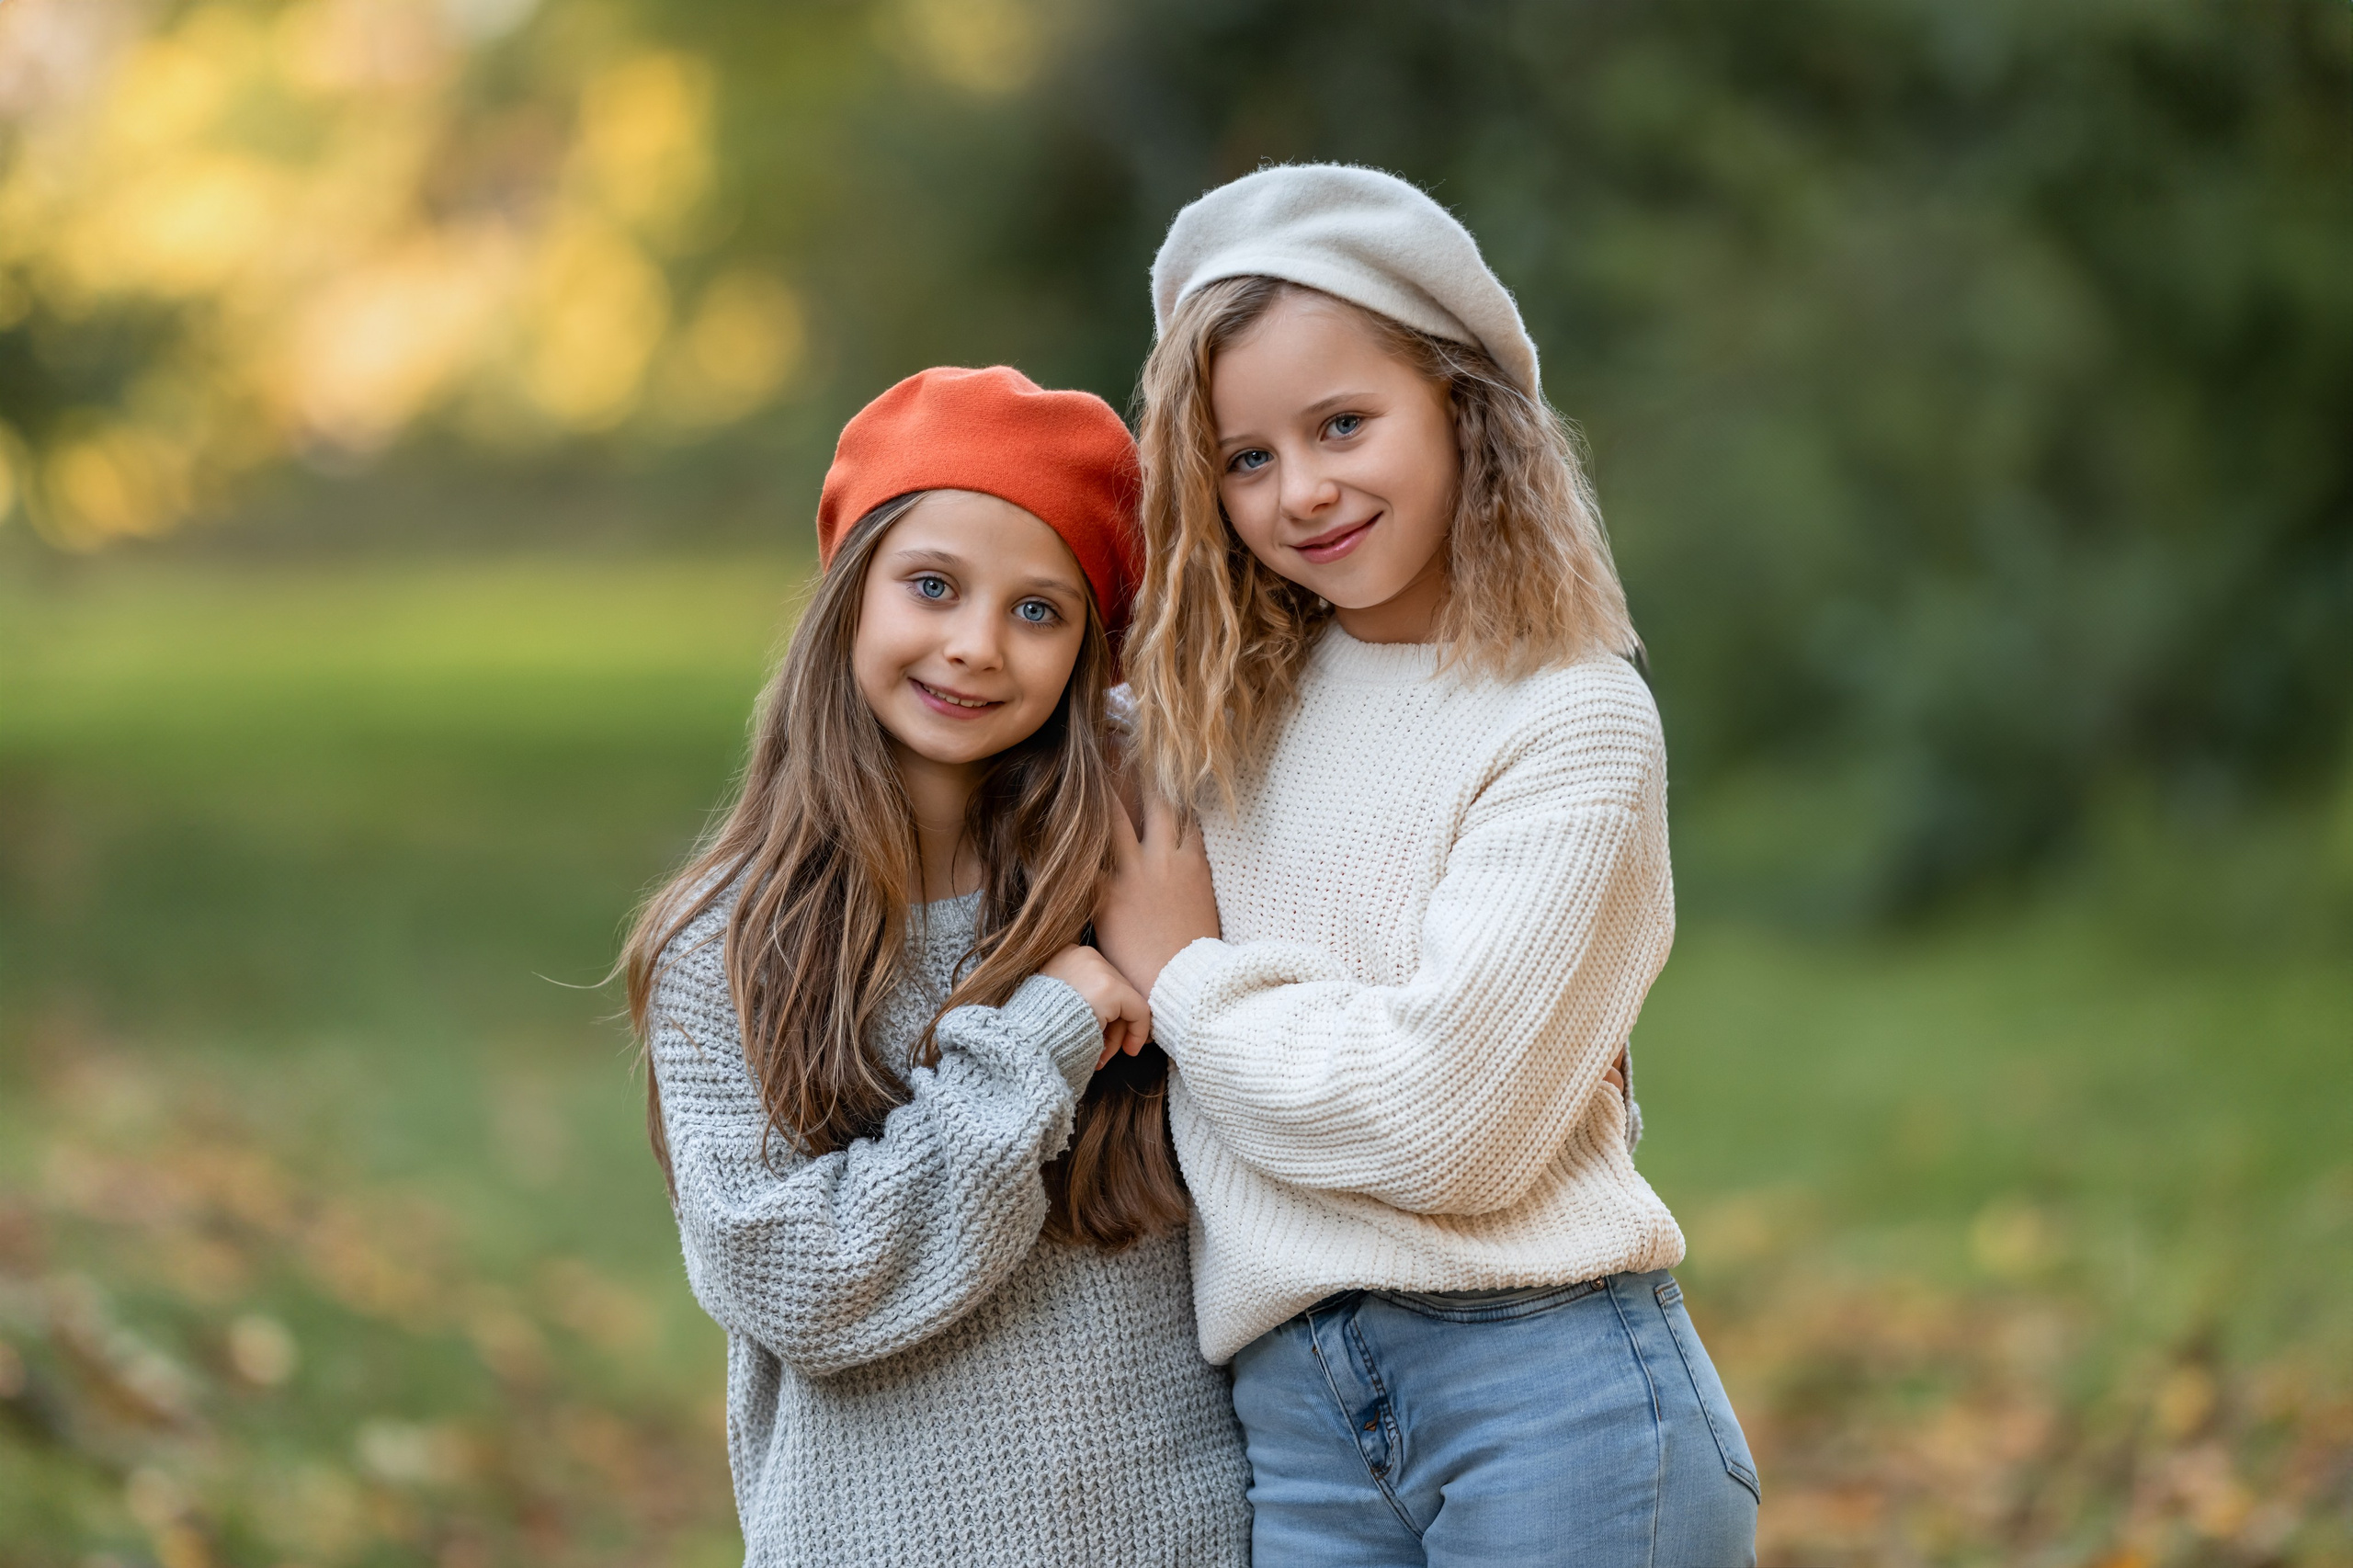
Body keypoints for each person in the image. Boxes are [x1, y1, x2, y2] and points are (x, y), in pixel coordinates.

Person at [1098, 165, 1759, 1567]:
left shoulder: (1569, 717)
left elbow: (1444, 1118)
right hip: (1294, 1410)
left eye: (1344, 423)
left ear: (1462, 406)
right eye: (1247, 456)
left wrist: (1189, 978)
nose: (1303, 491)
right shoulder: (1223, 713)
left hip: (1549, 1393)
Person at [622, 366, 1252, 1568]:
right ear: (849, 596)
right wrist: (1038, 1035)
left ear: (1091, 653)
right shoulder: (734, 942)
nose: (974, 646)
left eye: (1039, 610)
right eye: (932, 586)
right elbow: (796, 1280)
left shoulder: (1139, 879)